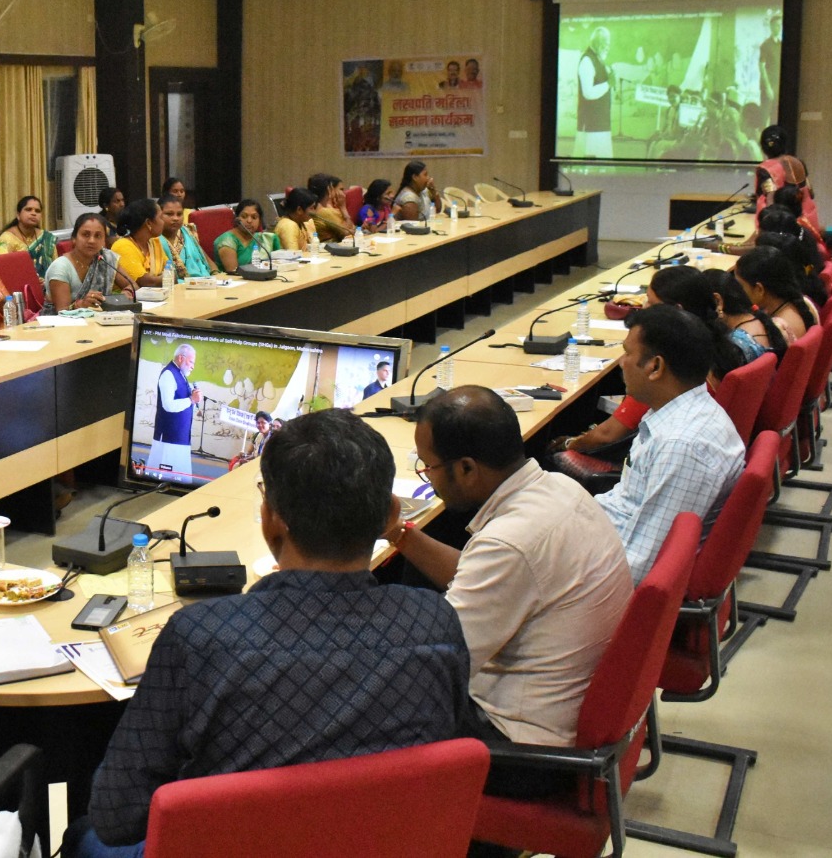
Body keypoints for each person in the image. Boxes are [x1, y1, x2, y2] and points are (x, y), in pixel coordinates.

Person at [71, 409, 471, 856]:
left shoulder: (199, 638)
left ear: (269, 518)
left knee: (83, 835)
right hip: (383, 845)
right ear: (390, 516)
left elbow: (116, 817)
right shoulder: (433, 622)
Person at [383, 387, 631, 803]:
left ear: (466, 468)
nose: (428, 475)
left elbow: (433, 670)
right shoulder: (559, 489)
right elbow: (485, 577)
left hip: (524, 755)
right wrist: (397, 533)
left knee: (364, 708)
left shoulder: (511, 543)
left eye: (429, 467)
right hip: (564, 718)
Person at [596, 305, 745, 583]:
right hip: (609, 529)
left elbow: (640, 565)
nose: (621, 363)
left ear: (655, 367)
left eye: (627, 353)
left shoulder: (682, 446)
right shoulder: (677, 410)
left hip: (611, 570)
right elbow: (629, 501)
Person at [554, 265, 753, 456]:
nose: (643, 308)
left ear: (675, 310)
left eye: (650, 303)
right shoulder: (719, 345)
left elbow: (607, 435)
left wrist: (567, 444)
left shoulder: (670, 369)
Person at [734, 245, 820, 341]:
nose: (736, 290)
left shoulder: (777, 331)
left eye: (740, 286)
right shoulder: (804, 302)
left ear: (759, 289)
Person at [145, 344, 201, 483]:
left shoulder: (181, 374)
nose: (193, 366)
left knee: (179, 480)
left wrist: (192, 398)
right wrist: (191, 400)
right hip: (169, 437)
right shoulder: (168, 374)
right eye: (191, 362)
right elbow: (168, 405)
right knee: (163, 480)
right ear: (181, 358)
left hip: (180, 436)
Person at [45, 213, 124, 311]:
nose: (91, 241)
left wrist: (127, 293)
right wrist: (81, 304)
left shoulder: (106, 259)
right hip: (59, 320)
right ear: (74, 238)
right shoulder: (60, 267)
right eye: (86, 235)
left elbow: (132, 287)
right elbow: (61, 311)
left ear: (104, 241)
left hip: (100, 318)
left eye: (98, 236)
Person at [751, 125, 811, 218]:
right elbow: (810, 192)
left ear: (763, 147)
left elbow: (770, 201)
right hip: (805, 218)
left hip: (780, 221)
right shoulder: (799, 163)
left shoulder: (765, 169)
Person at [0, 195, 58, 277]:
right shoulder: (6, 239)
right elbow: (2, 270)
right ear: (18, 215)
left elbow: (56, 267)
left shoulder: (47, 238)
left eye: (37, 211)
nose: (33, 213)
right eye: (28, 209)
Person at [573, 26, 613, 158]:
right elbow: (588, 93)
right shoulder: (587, 61)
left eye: (608, 43)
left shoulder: (598, 60)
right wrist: (608, 84)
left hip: (600, 125)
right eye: (605, 43)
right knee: (591, 165)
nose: (608, 47)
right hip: (591, 127)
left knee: (602, 165)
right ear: (597, 43)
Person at [151, 196, 215, 279]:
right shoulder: (152, 239)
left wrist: (216, 274)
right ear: (158, 215)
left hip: (204, 281)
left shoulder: (188, 232)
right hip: (172, 284)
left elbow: (206, 260)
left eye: (179, 214)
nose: (175, 218)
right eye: (169, 214)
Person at [112, 197, 167, 287]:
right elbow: (146, 282)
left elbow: (172, 272)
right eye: (161, 217)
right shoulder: (123, 246)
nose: (163, 221)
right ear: (148, 223)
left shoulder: (154, 243)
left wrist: (166, 277)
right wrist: (166, 278)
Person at [213, 198, 277, 273]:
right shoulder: (227, 241)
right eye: (244, 216)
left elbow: (279, 264)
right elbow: (234, 273)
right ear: (237, 219)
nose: (249, 221)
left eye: (254, 217)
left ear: (260, 220)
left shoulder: (265, 239)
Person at [306, 173, 354, 243]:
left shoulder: (314, 208)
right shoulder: (324, 212)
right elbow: (348, 233)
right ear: (329, 190)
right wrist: (343, 208)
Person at [273, 187, 317, 251]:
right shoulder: (288, 226)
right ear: (299, 210)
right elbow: (293, 254)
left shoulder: (300, 222)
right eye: (312, 208)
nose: (314, 212)